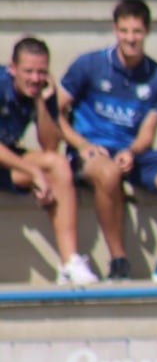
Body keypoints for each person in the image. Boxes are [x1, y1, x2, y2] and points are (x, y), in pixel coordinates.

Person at [57, 0, 157, 283]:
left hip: (131, 153)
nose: (131, 38)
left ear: (147, 32)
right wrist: (80, 144)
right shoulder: (89, 65)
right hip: (92, 153)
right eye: (125, 31)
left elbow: (147, 134)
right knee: (108, 171)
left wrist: (132, 151)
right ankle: (119, 259)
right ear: (115, 29)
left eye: (137, 32)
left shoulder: (156, 75)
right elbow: (56, 111)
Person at [0, 36, 98, 285]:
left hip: (7, 160)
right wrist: (33, 174)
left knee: (58, 165)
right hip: (7, 157)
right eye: (28, 72)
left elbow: (50, 145)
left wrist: (42, 103)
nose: (35, 78)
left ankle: (69, 263)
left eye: (41, 71)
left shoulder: (43, 89)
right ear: (12, 69)